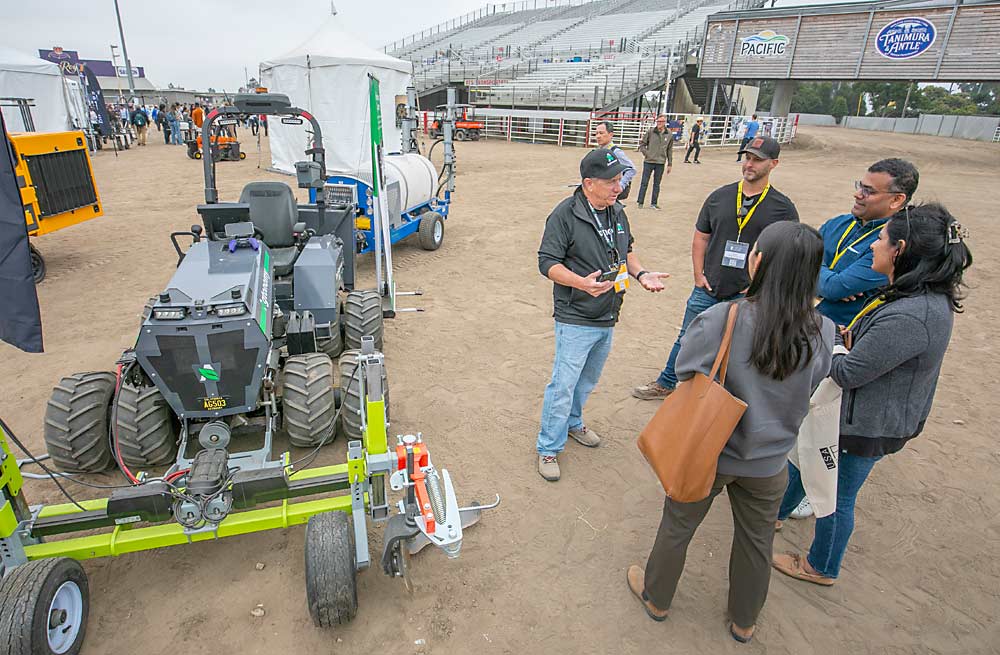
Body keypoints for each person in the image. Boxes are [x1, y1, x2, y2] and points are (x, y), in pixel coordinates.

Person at [627, 221, 835, 644]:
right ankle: (743, 621)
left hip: (710, 452)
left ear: (758, 262)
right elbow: (816, 381)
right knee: (756, 542)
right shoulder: (823, 330)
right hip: (770, 461)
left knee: (678, 525)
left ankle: (657, 597)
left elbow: (686, 369)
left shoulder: (724, 317)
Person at [772, 203, 972, 587]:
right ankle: (775, 513)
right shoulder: (913, 296)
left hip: (866, 423)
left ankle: (821, 566)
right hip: (858, 414)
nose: (872, 248)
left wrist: (828, 341)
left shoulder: (912, 315)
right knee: (803, 460)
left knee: (837, 495)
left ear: (899, 249)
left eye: (879, 240)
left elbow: (848, 371)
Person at [536, 149, 670, 482]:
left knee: (586, 381)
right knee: (563, 384)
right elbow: (547, 263)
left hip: (608, 312)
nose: (618, 187)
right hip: (576, 315)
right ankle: (548, 447)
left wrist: (641, 275)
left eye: (620, 180)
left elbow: (627, 251)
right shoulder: (564, 215)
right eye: (611, 182)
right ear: (588, 183)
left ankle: (573, 423)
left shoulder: (617, 211)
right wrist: (580, 283)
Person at [633, 135, 799, 400]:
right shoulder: (720, 197)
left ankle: (721, 398)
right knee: (689, 337)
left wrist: (758, 286)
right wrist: (699, 275)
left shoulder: (782, 208)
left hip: (748, 293)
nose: (750, 164)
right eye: (747, 158)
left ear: (774, 164)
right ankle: (666, 382)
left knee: (739, 348)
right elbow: (701, 236)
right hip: (709, 287)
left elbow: (786, 252)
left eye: (758, 160)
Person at [636, 114, 674, 210]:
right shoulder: (650, 132)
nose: (659, 123)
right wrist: (647, 153)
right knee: (644, 182)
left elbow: (669, 149)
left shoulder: (669, 134)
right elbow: (642, 144)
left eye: (661, 122)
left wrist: (670, 163)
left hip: (660, 162)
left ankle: (654, 203)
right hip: (649, 161)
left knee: (657, 184)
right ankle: (640, 202)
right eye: (658, 121)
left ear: (665, 122)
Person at [593, 121, 636, 202]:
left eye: (601, 133)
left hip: (610, 194)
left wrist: (620, 185)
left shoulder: (616, 152)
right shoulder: (598, 151)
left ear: (611, 135)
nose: (598, 136)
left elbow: (631, 169)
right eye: (596, 133)